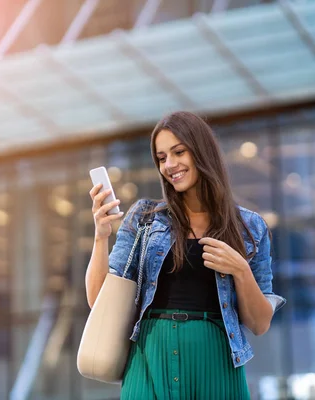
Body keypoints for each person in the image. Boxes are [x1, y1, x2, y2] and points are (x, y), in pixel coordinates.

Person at [85, 111, 285, 399]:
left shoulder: (250, 227)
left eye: (179, 152)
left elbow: (260, 323)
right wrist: (100, 237)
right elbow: (97, 302)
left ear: (202, 151)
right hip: (149, 361)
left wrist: (240, 270)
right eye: (162, 157)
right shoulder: (144, 218)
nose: (170, 164)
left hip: (216, 364)